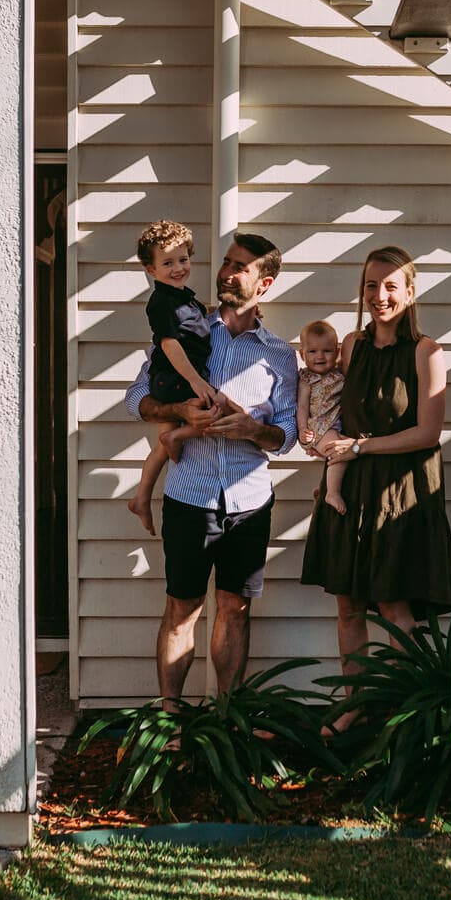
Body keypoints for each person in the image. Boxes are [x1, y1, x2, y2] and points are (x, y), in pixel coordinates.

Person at [124, 233, 299, 706]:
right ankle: (171, 716)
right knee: (182, 608)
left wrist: (252, 430)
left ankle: (228, 717)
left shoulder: (280, 355)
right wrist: (181, 412)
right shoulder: (189, 329)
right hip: (190, 495)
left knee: (234, 609)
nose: (225, 271)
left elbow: (287, 435)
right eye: (225, 261)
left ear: (263, 283)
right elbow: (135, 400)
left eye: (238, 266)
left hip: (249, 503)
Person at [299, 245, 451, 735]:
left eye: (391, 286)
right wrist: (315, 436)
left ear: (410, 293)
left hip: (402, 492)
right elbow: (329, 396)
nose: (380, 295)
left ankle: (405, 710)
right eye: (372, 285)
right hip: (350, 489)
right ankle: (355, 705)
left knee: (395, 605)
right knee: (348, 602)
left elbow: (427, 433)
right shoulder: (350, 345)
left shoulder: (427, 352)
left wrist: (361, 448)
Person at [128, 221, 217, 535]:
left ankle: (141, 498)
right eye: (168, 263)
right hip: (174, 379)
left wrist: (215, 313)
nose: (179, 268)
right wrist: (195, 381)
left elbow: (195, 321)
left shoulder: (183, 298)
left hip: (170, 378)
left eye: (183, 259)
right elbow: (170, 343)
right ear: (151, 270)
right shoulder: (162, 302)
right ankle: (180, 437)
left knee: (163, 447)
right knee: (209, 412)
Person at [295, 320, 348, 515]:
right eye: (312, 351)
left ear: (337, 352)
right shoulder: (307, 380)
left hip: (334, 425)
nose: (320, 356)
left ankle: (325, 488)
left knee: (348, 454)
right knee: (339, 452)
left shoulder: (338, 374)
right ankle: (332, 493)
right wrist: (302, 431)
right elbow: (301, 407)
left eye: (327, 351)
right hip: (319, 427)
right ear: (302, 354)